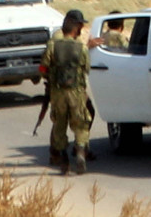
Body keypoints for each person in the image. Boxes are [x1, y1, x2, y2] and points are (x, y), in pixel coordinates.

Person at [40, 9, 103, 175]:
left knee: (59, 124)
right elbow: (86, 69)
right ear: (76, 27)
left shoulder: (52, 45)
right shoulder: (81, 47)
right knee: (81, 123)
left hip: (57, 92)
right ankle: (81, 152)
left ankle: (64, 159)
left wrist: (50, 77)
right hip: (76, 91)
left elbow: (43, 67)